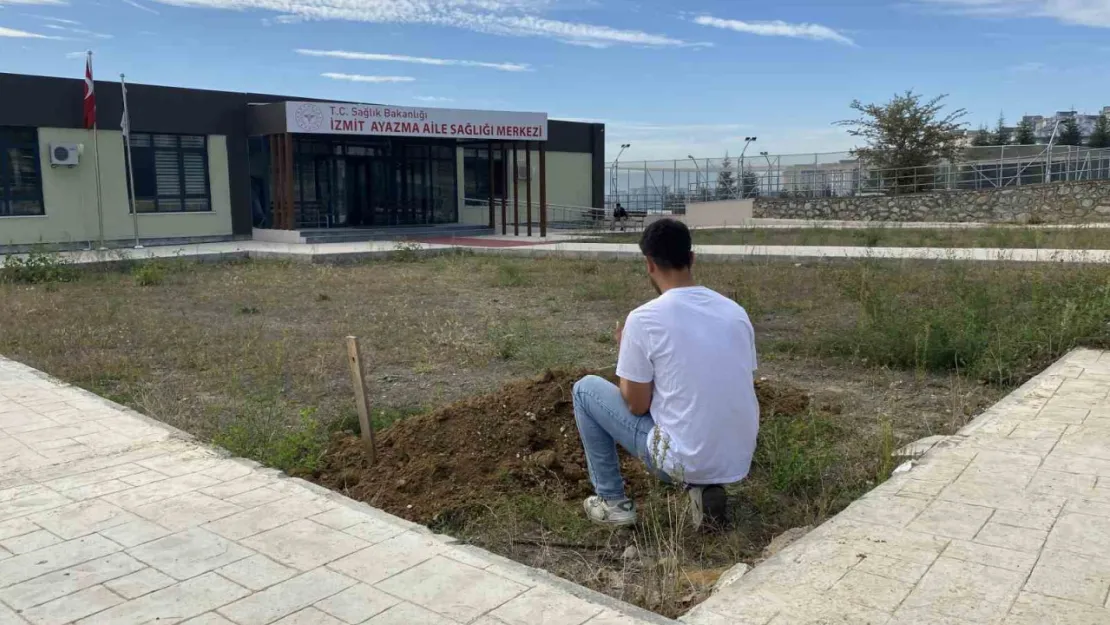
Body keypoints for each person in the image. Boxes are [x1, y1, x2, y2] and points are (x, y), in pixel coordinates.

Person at [571, 218, 759, 529]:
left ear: (649, 264)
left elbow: (636, 406)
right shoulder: (735, 312)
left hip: (681, 459)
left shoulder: (644, 319)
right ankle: (703, 489)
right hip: (737, 457)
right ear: (692, 258)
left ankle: (612, 502)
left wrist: (626, 354)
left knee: (584, 390)